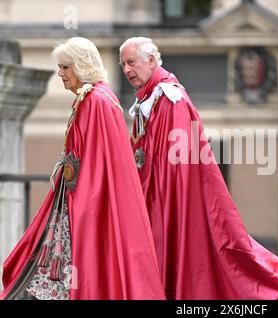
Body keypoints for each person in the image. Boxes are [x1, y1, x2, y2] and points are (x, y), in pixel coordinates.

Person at [119, 37, 278, 299]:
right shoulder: (151, 100)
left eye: (131, 62)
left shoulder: (171, 99)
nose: (126, 70)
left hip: (171, 209)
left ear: (150, 61)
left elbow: (177, 168)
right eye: (123, 65)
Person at [0, 37, 165, 300]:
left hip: (85, 204)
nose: (60, 73)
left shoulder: (96, 100)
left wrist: (83, 208)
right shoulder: (92, 98)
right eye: (60, 67)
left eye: (65, 67)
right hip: (73, 202)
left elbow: (98, 165)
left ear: (81, 65)